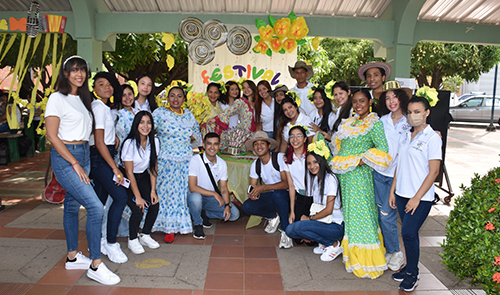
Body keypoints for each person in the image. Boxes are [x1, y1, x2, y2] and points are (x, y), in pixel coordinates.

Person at [45, 55, 119, 285]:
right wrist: (74, 163)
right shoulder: (57, 98)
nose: (79, 74)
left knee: (71, 206)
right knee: (96, 207)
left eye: (82, 70)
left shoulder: (83, 99)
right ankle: (96, 265)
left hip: (83, 153)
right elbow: (52, 136)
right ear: (65, 73)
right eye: (74, 70)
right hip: (66, 157)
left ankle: (72, 256)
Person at [329, 88, 392, 279]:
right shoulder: (349, 122)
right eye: (355, 101)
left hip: (361, 176)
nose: (358, 105)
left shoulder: (374, 123)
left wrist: (363, 159)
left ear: (370, 102)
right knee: (350, 215)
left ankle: (368, 261)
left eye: (362, 101)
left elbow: (383, 148)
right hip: (346, 177)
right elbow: (339, 145)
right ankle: (352, 257)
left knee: (363, 215)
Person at [389, 95, 442, 292]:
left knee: (409, 233)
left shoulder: (432, 138)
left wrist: (416, 197)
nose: (413, 116)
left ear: (427, 113)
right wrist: (393, 190)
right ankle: (409, 267)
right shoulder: (405, 134)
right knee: (409, 235)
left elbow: (434, 172)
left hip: (420, 197)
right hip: (402, 194)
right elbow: (399, 165)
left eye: (417, 112)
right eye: (410, 112)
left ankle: (413, 273)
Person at [152, 82, 202, 242]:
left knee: (180, 194)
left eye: (179, 96)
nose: (175, 99)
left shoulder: (188, 114)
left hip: (185, 161)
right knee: (165, 193)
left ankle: (177, 225)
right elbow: (147, 130)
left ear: (184, 99)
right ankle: (165, 226)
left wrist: (188, 142)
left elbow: (197, 138)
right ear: (167, 98)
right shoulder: (159, 113)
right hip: (166, 160)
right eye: (172, 95)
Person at [89, 71, 128, 264]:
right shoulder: (99, 107)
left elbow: (103, 136)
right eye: (101, 84)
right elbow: (98, 141)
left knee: (99, 202)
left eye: (109, 84)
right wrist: (114, 167)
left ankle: (98, 242)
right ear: (94, 88)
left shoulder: (103, 107)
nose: (106, 87)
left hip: (103, 155)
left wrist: (114, 138)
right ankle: (111, 243)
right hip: (100, 159)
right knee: (120, 196)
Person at [373, 81, 412, 272]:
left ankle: (396, 252)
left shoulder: (409, 122)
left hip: (398, 177)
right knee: (381, 214)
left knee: (388, 215)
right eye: (387, 98)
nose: (391, 101)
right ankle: (389, 250)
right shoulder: (382, 121)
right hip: (378, 174)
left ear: (401, 98)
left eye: (394, 96)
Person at [286, 138, 344, 262]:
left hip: (335, 225)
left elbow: (329, 210)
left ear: (322, 161)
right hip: (323, 222)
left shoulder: (330, 179)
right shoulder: (316, 180)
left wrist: (309, 220)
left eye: (315, 162)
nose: (312, 166)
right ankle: (324, 242)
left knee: (298, 227)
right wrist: (307, 227)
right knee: (291, 230)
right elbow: (315, 205)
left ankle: (333, 245)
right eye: (308, 163)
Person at [241, 131, 290, 248]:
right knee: (247, 206)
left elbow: (286, 184)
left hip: (286, 196)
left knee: (278, 194)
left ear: (269, 146)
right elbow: (253, 186)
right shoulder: (255, 164)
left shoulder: (279, 158)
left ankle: (285, 231)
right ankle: (272, 216)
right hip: (271, 196)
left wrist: (263, 187)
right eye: (256, 144)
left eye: (262, 143)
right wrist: (252, 194)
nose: (259, 146)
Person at [121, 111, 161, 254]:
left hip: (143, 176)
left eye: (148, 122)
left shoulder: (154, 141)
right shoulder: (129, 143)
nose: (145, 126)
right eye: (142, 122)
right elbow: (129, 172)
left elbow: (153, 167)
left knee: (154, 203)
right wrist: (138, 196)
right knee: (138, 208)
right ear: (136, 124)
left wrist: (152, 191)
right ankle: (132, 239)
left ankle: (145, 234)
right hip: (127, 179)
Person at [187, 132, 240, 239]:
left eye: (215, 144)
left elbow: (224, 188)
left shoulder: (222, 163)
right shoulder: (195, 160)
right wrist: (215, 194)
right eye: (209, 144)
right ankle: (198, 224)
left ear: (219, 146)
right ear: (204, 145)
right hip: (195, 195)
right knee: (196, 199)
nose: (212, 147)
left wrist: (227, 205)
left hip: (210, 199)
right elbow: (193, 187)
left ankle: (204, 214)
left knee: (234, 214)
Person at [211, 81, 255, 151]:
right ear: (227, 90)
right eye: (232, 89)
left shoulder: (241, 103)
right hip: (226, 134)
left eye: (237, 89)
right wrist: (216, 119)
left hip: (239, 135)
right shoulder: (220, 104)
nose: (235, 91)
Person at [284, 125, 309, 224]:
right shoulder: (287, 160)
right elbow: (291, 186)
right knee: (295, 232)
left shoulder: (311, 156)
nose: (295, 139)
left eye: (299, 136)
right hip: (300, 197)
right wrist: (292, 211)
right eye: (292, 136)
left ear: (305, 139)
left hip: (314, 197)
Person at [115, 84, 138, 163]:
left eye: (130, 94)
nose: (127, 98)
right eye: (124, 95)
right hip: (126, 152)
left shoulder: (138, 112)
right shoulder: (118, 114)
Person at [269, 84, 289, 150]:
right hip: (282, 147)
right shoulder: (278, 113)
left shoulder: (292, 111)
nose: (279, 97)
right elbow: (278, 134)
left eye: (281, 94)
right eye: (276, 95)